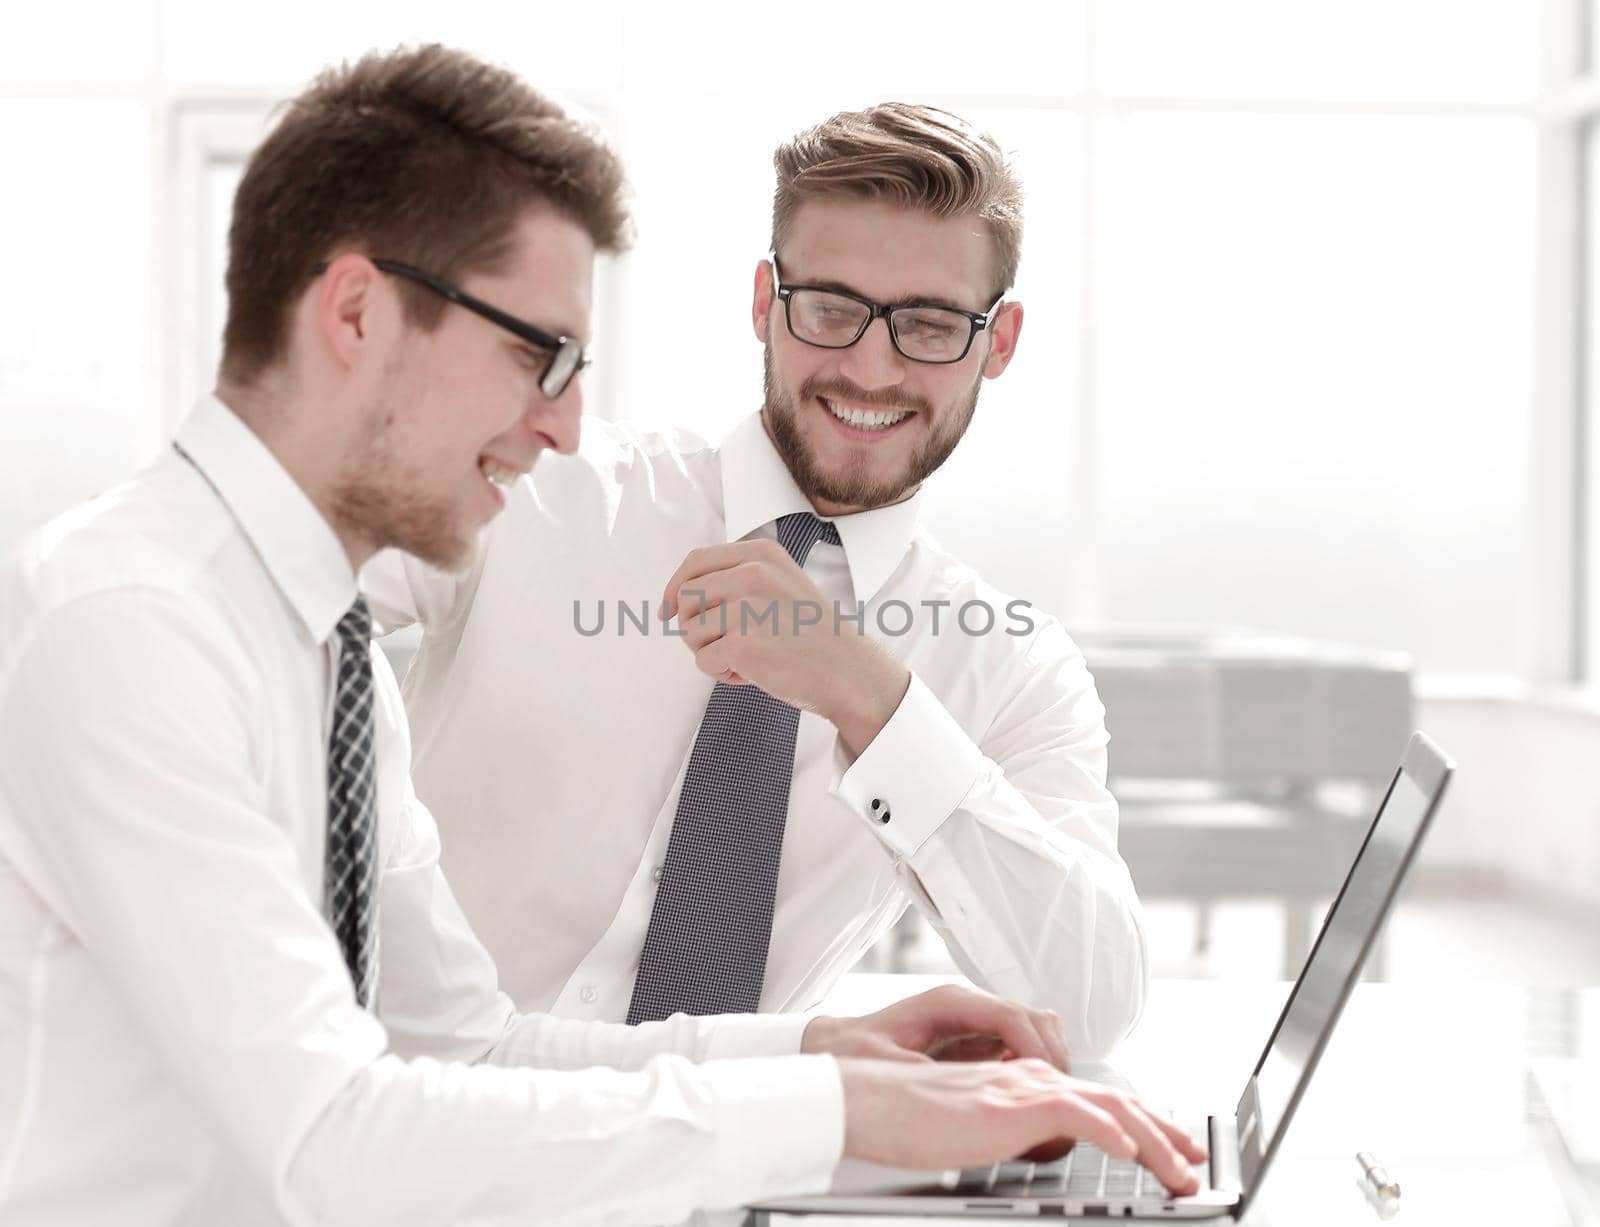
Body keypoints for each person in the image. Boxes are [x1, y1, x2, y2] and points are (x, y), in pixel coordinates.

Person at [0, 46, 1202, 1226]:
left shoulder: (327, 646)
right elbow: (341, 1138)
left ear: (997, 341)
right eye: (539, 356)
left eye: (929, 324)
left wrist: (828, 1054)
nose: (567, 424)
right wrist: (832, 1111)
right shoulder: (148, 621)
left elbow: (468, 1053)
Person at [364, 102, 1146, 1060]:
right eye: (830, 308)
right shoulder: (537, 489)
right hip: (400, 1133)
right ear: (763, 303)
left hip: (710, 1183)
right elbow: (270, 605)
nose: (871, 366)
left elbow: (1094, 998)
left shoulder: (1007, 666)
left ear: (1000, 341)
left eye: (932, 325)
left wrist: (872, 698)